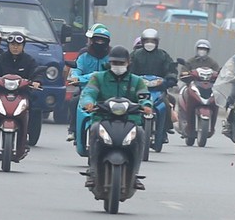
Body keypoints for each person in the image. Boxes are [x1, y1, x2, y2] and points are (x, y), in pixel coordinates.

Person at [77, 45, 147, 180]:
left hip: (130, 120)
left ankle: (134, 173)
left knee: (140, 133)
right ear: (109, 63)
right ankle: (93, 167)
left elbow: (144, 96)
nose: (118, 66)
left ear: (128, 63)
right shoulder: (98, 78)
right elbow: (89, 93)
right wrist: (88, 103)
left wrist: (146, 105)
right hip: (102, 118)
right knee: (94, 130)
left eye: (121, 63)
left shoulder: (136, 81)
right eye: (114, 63)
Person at [0, 30, 43, 145]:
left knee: (33, 105)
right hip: (1, 92)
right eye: (12, 45)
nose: (15, 47)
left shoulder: (29, 60)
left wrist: (37, 81)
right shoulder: (0, 59)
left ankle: (27, 133)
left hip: (22, 93)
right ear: (8, 45)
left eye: (18, 45)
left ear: (23, 46)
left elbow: (36, 73)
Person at [127, 27, 176, 143]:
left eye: (152, 41)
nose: (150, 44)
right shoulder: (135, 55)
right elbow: (129, 69)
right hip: (138, 90)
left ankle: (164, 130)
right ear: (143, 42)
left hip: (158, 90)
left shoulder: (163, 55)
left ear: (157, 42)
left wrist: (171, 78)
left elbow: (171, 69)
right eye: (147, 41)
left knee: (166, 105)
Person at [67, 24, 112, 146]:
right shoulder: (83, 54)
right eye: (97, 40)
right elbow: (76, 70)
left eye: (103, 40)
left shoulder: (112, 56)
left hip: (107, 92)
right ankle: (73, 130)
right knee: (74, 102)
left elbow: (112, 73)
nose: (99, 42)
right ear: (92, 40)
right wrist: (76, 77)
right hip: (85, 90)